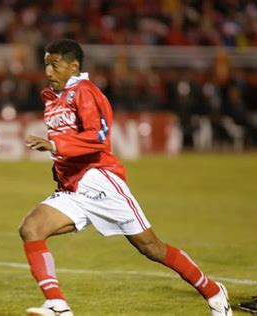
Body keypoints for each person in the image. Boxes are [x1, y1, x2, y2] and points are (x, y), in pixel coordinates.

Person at [19, 39, 232, 316]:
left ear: (74, 66)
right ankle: (58, 305)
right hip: (71, 188)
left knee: (151, 248)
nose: (48, 71)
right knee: (31, 228)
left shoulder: (85, 92)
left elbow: (98, 138)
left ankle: (214, 292)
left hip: (99, 180)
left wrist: (55, 146)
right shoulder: (50, 96)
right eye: (46, 64)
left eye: (54, 65)